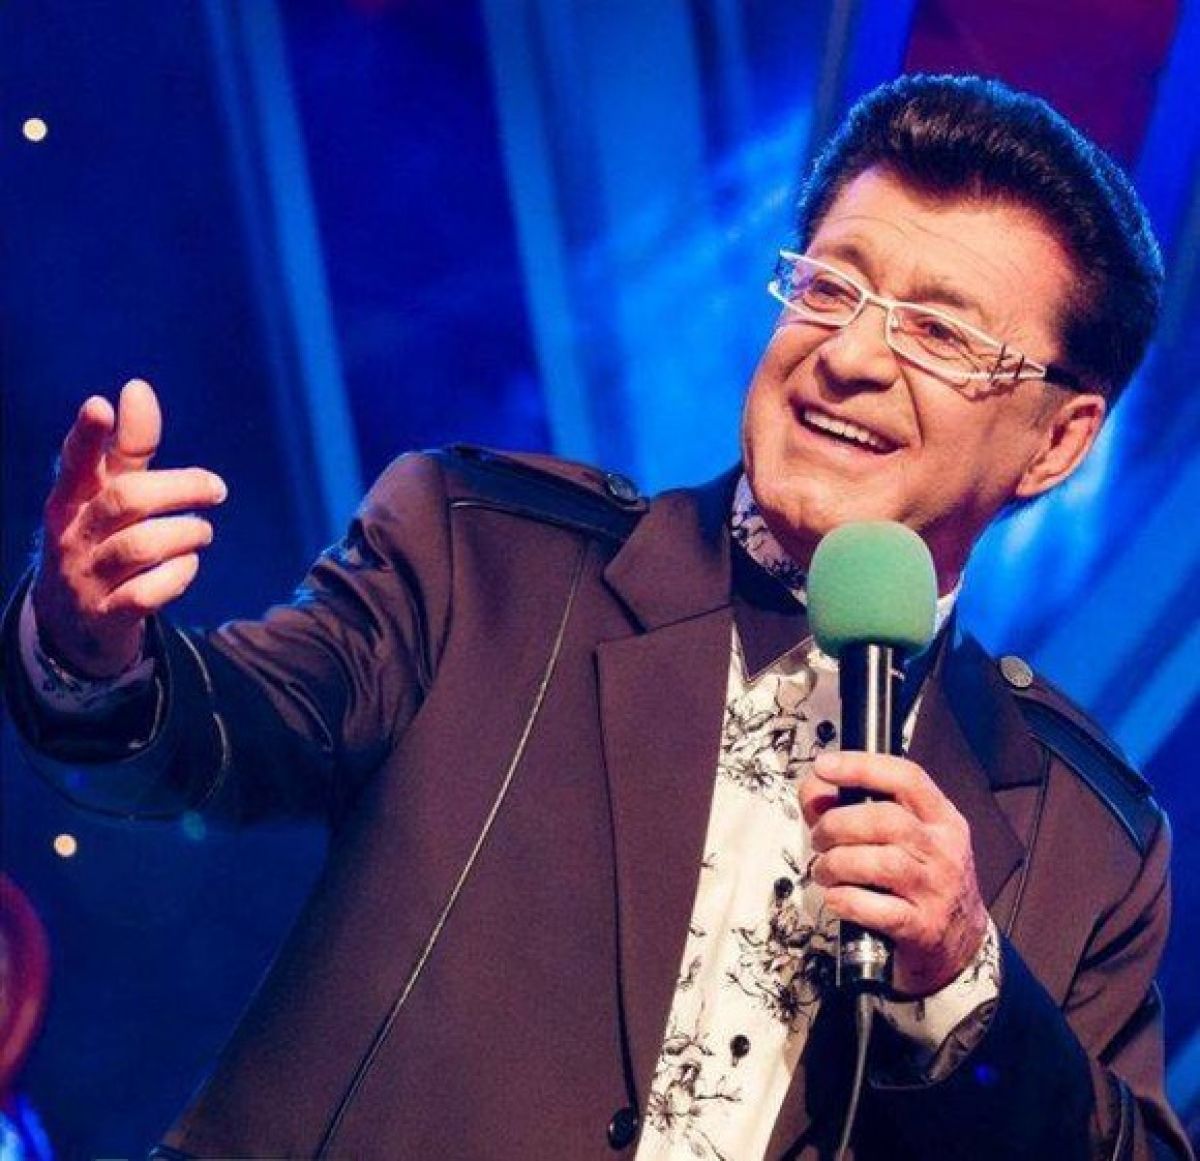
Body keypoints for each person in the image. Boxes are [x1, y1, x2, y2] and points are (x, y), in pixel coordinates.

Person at [2, 73, 1193, 1160]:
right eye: (832, 287)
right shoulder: (483, 560)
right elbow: (234, 727)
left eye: (939, 333)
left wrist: (965, 984)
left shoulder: (1089, 840)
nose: (851, 358)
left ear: (1057, 441)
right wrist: (95, 647)